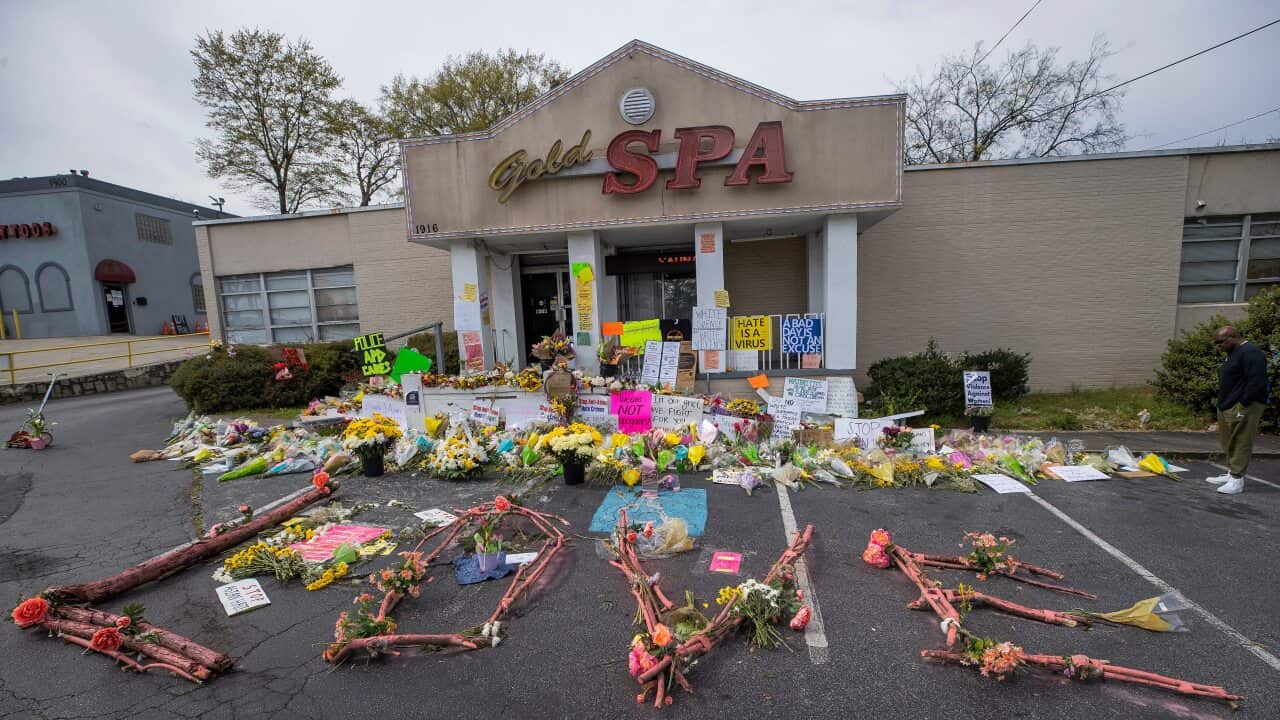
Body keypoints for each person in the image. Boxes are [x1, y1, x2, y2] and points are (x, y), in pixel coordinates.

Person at [1205, 326, 1267, 494]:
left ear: (1232, 338)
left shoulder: (1251, 352)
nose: (1218, 347)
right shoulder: (1233, 353)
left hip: (1244, 405)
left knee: (1240, 441)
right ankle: (1231, 473)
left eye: (1220, 343)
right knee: (1228, 441)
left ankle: (1237, 480)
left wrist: (1243, 404)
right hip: (1227, 404)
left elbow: (1257, 381)